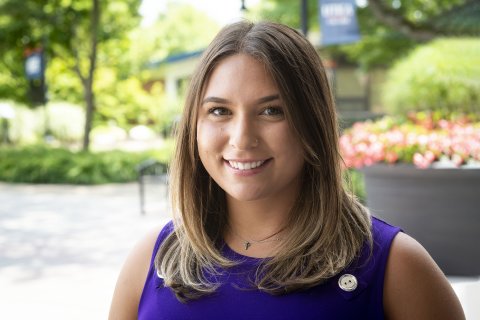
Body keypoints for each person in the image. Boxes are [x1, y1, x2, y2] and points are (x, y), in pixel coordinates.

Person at [109, 21, 465, 320]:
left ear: (312, 122)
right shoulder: (152, 260)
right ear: (193, 126)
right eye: (219, 111)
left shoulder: (395, 266)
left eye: (271, 111)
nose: (241, 138)